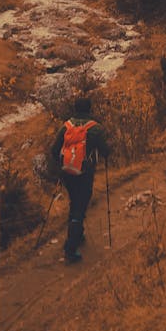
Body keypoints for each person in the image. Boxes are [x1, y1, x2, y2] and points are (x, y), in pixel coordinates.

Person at [51, 96, 110, 264]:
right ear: (89, 109)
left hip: (67, 172)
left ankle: (79, 232)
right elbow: (105, 151)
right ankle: (70, 249)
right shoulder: (95, 128)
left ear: (75, 108)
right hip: (84, 173)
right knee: (80, 206)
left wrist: (62, 164)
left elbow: (54, 150)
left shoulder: (66, 126)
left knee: (74, 202)